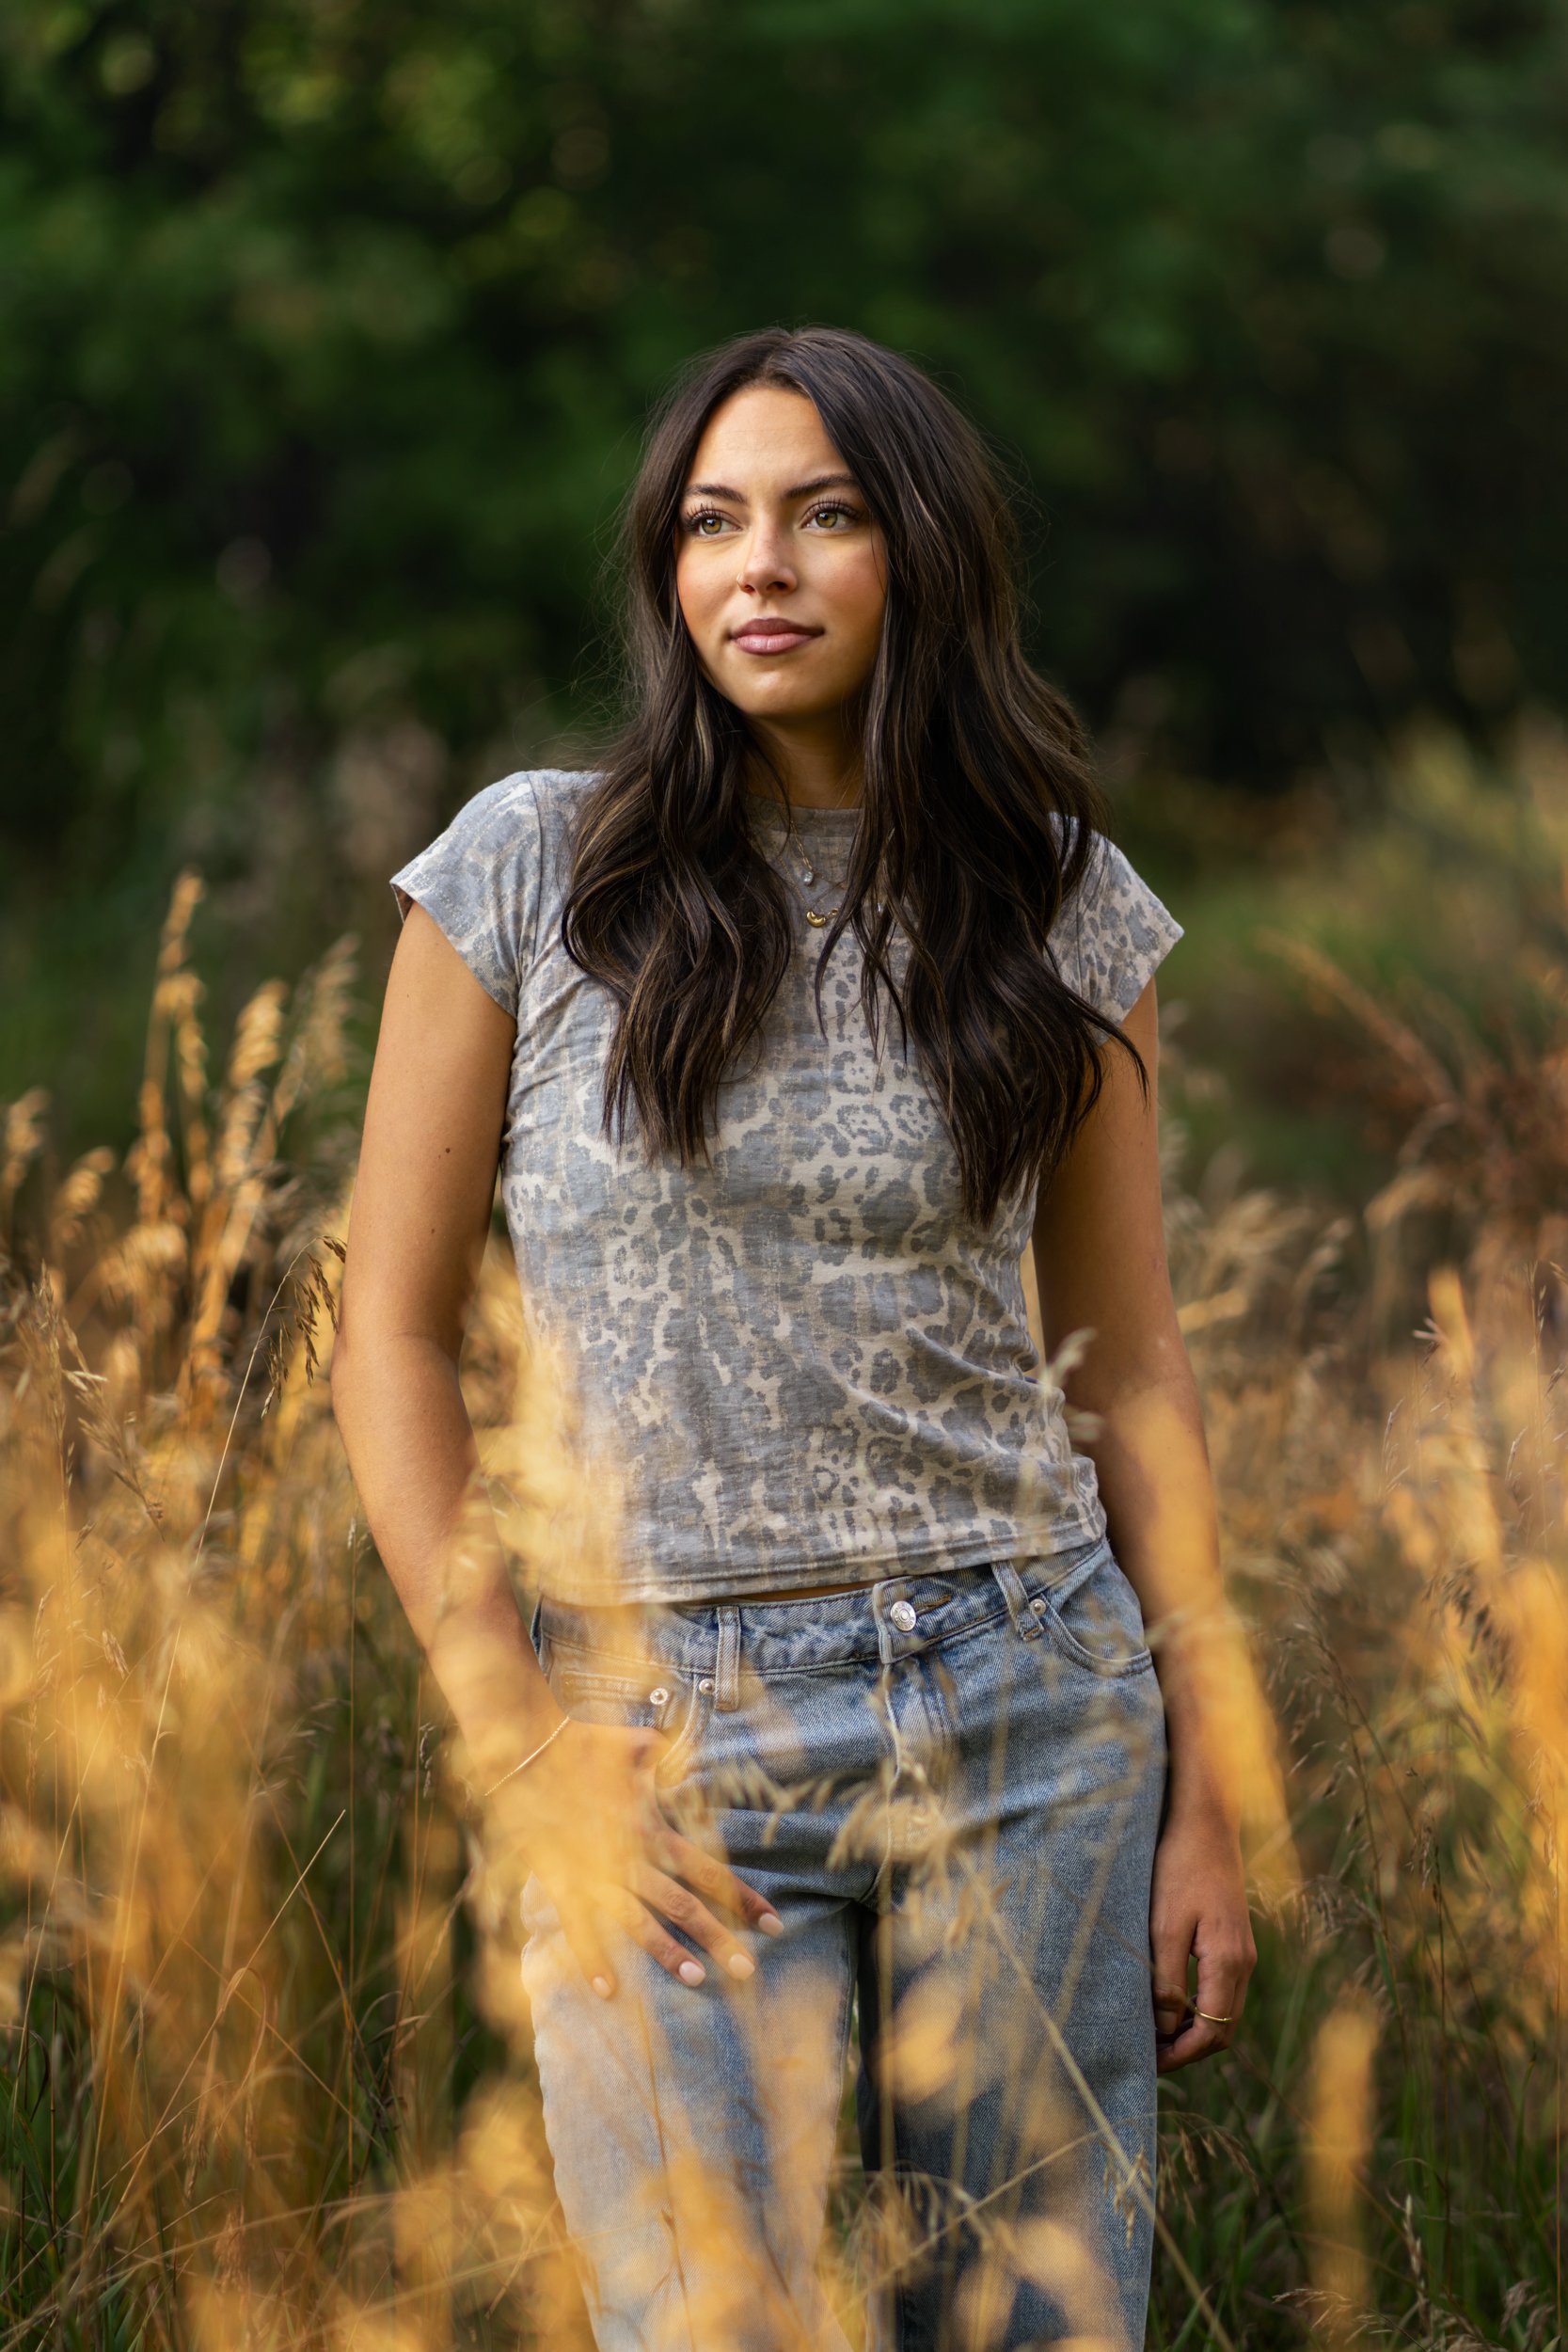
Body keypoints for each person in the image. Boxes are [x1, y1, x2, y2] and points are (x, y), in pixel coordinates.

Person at [331, 324, 1257, 2352]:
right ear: (668, 569)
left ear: (920, 555)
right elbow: (383, 1337)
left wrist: (1212, 1785)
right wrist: (515, 1729)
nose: (761, 565)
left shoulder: (1061, 906)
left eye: (826, 516)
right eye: (713, 521)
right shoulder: (528, 871)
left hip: (1030, 1701)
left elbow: (1134, 1365)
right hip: (655, 1736)